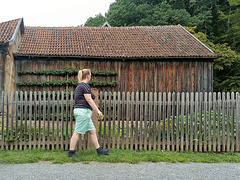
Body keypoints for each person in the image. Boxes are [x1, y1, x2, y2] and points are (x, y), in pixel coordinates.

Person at [68, 69, 110, 158]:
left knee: (92, 131)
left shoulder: (80, 86)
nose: (91, 76)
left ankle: (100, 151)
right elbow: (89, 99)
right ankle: (71, 153)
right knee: (77, 132)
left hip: (83, 112)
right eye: (90, 75)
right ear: (87, 76)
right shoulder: (85, 85)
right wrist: (98, 111)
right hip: (83, 112)